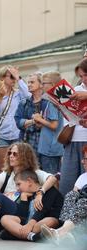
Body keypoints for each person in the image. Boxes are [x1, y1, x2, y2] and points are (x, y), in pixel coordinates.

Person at [41, 145, 87, 244]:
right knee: (71, 195)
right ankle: (64, 233)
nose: (82, 161)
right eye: (83, 158)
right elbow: (73, 199)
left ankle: (60, 232)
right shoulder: (82, 177)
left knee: (83, 200)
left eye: (86, 159)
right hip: (78, 218)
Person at [0, 170, 63, 242]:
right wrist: (24, 199)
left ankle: (20, 234)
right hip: (29, 223)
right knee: (4, 219)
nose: (17, 188)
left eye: (18, 184)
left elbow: (43, 210)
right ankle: (33, 237)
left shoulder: (49, 190)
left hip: (44, 220)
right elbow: (22, 215)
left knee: (45, 224)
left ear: (29, 181)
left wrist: (29, 225)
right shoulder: (27, 194)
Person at [59, 59, 87, 196]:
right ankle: (66, 217)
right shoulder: (76, 90)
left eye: (86, 75)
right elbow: (67, 119)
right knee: (67, 185)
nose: (83, 79)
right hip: (73, 140)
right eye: (81, 76)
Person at [0, 66, 30, 172]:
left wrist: (18, 78)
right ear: (2, 78)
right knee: (3, 168)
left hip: (17, 134)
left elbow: (29, 96)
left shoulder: (18, 94)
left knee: (19, 167)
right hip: (2, 135)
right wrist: (0, 98)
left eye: (14, 77)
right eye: (11, 76)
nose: (13, 79)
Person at [32, 71, 64, 174]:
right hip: (53, 147)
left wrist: (38, 118)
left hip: (50, 149)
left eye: (44, 83)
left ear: (53, 85)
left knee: (51, 177)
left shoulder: (52, 101)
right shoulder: (56, 99)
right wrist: (41, 124)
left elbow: (54, 125)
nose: (41, 86)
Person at [14, 72, 46, 156]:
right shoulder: (24, 102)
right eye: (28, 82)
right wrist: (34, 121)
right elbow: (18, 122)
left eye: (32, 82)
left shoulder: (48, 102)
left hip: (45, 144)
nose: (29, 84)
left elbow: (52, 123)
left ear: (41, 84)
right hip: (27, 144)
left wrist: (28, 122)